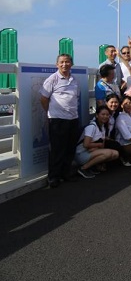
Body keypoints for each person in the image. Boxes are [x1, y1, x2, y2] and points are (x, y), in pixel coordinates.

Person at [40, 53, 81, 188]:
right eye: (62, 62)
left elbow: (76, 97)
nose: (64, 64)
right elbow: (44, 99)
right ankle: (53, 177)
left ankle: (66, 173)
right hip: (57, 120)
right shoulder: (52, 79)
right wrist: (50, 113)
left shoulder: (74, 80)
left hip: (73, 118)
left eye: (67, 62)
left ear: (71, 64)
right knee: (57, 149)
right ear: (57, 64)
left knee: (70, 148)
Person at [74, 105, 119, 178]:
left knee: (115, 154)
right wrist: (98, 145)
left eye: (107, 115)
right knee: (108, 153)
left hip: (90, 152)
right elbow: (86, 144)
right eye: (103, 114)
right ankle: (83, 168)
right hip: (81, 154)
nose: (105, 116)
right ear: (97, 115)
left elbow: (102, 145)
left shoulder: (103, 128)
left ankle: (93, 166)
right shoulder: (92, 127)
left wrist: (96, 148)